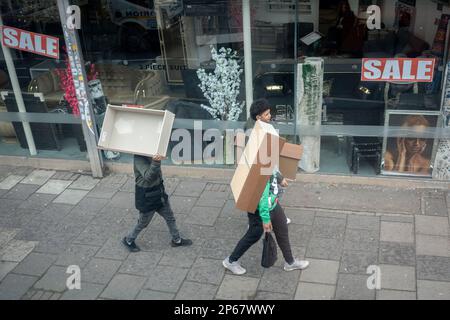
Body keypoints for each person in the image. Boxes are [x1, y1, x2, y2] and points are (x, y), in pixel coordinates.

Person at [223, 99, 309, 275]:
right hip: (260, 203)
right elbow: (261, 189)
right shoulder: (260, 144)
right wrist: (265, 218)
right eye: (267, 114)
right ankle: (231, 261)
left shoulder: (263, 139)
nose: (270, 116)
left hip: (271, 200)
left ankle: (290, 262)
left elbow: (270, 169)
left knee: (282, 230)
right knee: (254, 234)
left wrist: (279, 177)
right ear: (258, 117)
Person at [122, 154, 192, 252]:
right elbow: (148, 177)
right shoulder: (139, 158)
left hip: (159, 194)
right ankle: (128, 240)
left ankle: (177, 240)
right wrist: (156, 161)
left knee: (170, 217)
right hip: (147, 198)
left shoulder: (152, 154)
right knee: (143, 223)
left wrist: (156, 159)